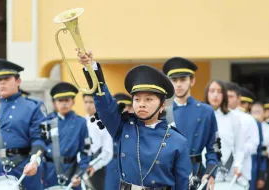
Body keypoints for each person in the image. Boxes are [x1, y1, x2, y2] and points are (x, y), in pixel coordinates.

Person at [79, 51, 192, 189]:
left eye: (149, 99)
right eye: (137, 99)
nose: (141, 104)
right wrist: (91, 68)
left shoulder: (177, 141)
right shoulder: (123, 128)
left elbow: (183, 185)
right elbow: (105, 104)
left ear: (162, 105)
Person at [0, 59, 46, 189]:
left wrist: (35, 161)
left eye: (6, 78)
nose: (1, 82)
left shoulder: (32, 107)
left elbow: (39, 139)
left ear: (18, 81)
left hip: (22, 171)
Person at [162, 57, 218, 188]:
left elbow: (214, 146)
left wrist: (210, 173)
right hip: (170, 175)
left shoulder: (206, 111)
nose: (178, 84)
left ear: (192, 81)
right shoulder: (163, 113)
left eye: (183, 79)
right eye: (174, 80)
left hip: (198, 174)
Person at [42, 82, 91, 190]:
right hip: (49, 172)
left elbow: (86, 152)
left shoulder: (81, 122)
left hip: (72, 172)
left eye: (67, 100)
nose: (64, 104)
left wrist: (79, 173)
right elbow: (41, 148)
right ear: (55, 103)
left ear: (73, 102)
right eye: (60, 100)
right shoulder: (46, 122)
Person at [204, 80, 244, 183]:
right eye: (212, 91)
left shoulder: (234, 117)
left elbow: (239, 146)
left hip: (229, 171)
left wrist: (237, 165)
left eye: (219, 91)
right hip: (205, 172)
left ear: (224, 95)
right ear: (207, 93)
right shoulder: (200, 117)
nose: (215, 95)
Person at [226, 83, 259, 187]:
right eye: (226, 96)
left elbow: (254, 144)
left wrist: (238, 152)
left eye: (231, 96)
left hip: (240, 173)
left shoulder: (248, 119)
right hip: (219, 173)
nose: (228, 100)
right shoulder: (215, 116)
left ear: (238, 98)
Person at [83, 93, 113, 190]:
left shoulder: (104, 123)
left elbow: (108, 151)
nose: (88, 105)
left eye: (91, 102)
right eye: (86, 102)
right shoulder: (81, 121)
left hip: (96, 167)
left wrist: (94, 166)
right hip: (81, 167)